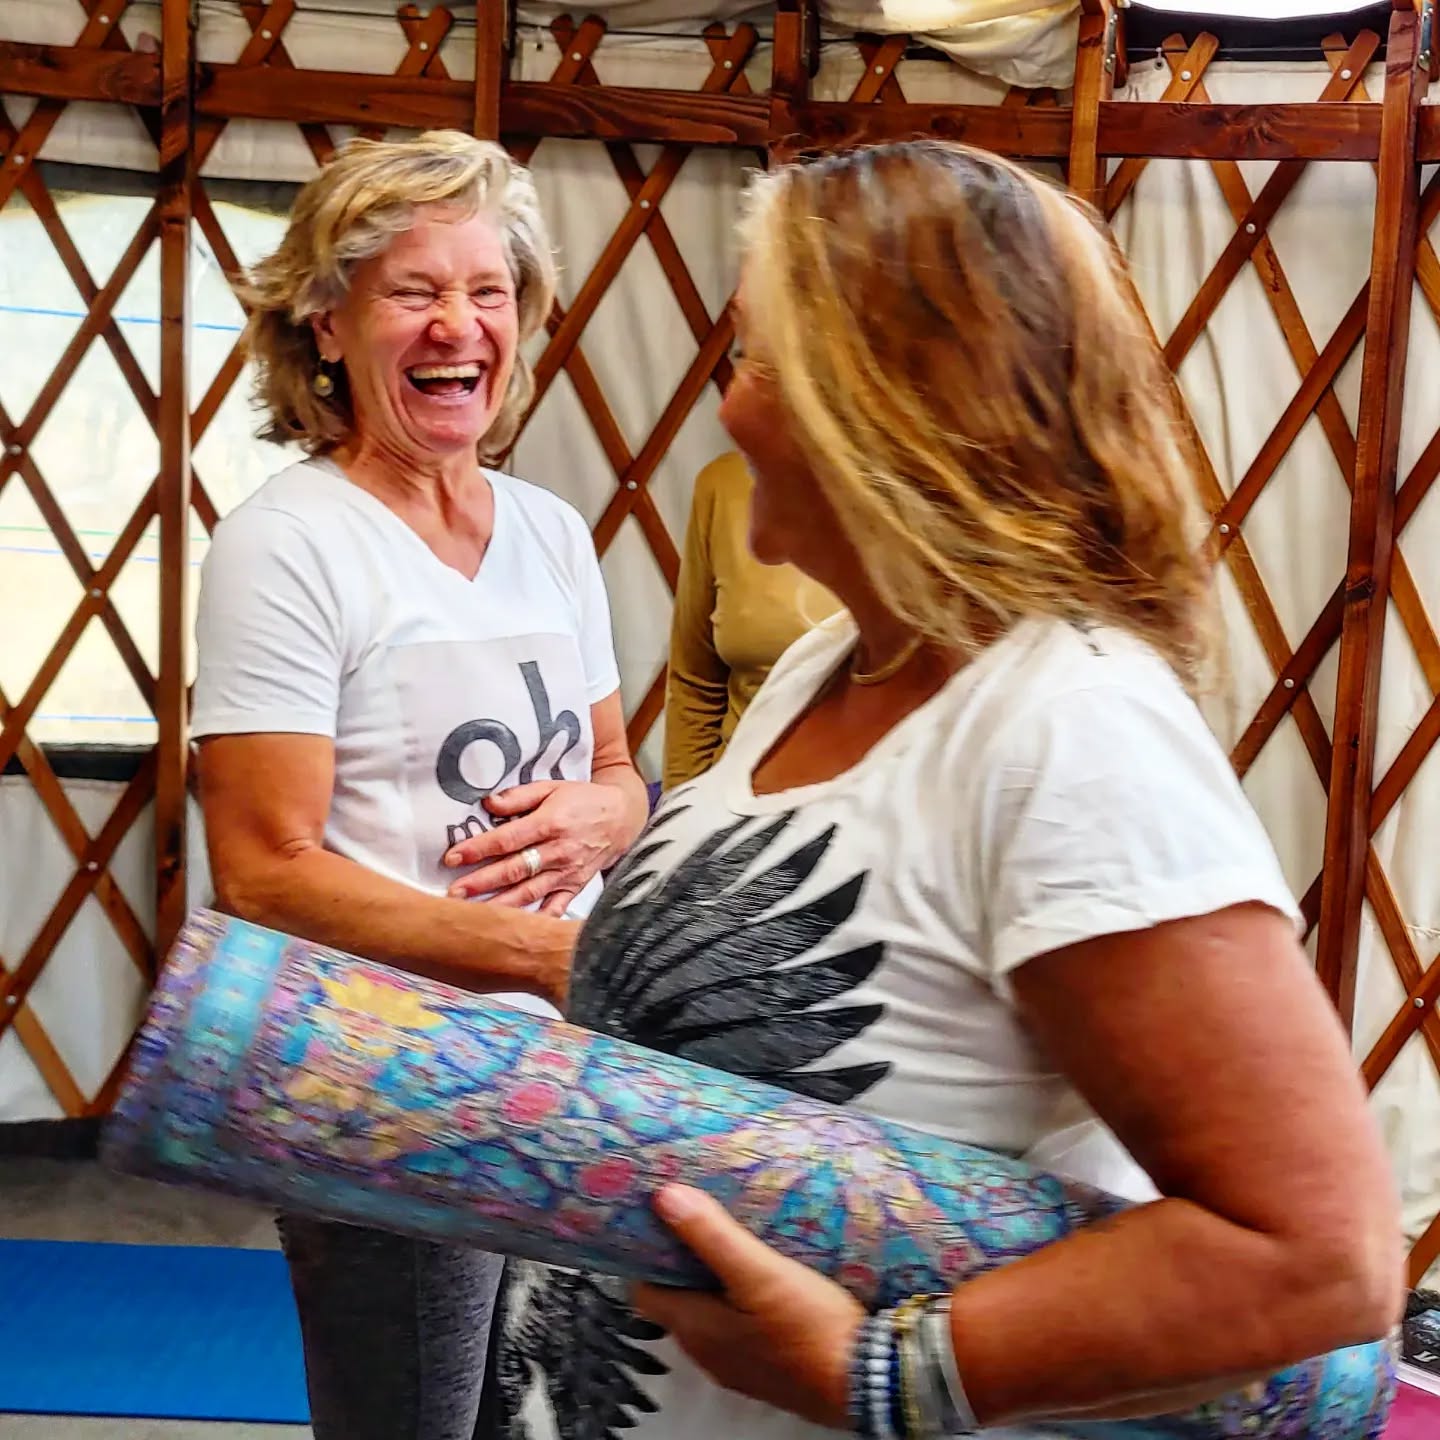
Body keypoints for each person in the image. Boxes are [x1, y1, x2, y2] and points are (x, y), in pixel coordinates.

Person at [493, 140, 1402, 1439]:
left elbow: (1318, 1252)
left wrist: (888, 1375)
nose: (728, 404)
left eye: (754, 357)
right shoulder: (828, 669)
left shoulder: (1066, 728)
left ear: (876, 398)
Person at [190, 130, 649, 1440]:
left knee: (543, 1420)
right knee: (415, 1421)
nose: (462, 324)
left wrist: (601, 813)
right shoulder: (289, 546)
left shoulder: (551, 533)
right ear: (327, 326)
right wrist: (546, 955)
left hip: (559, 1078)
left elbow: (621, 778)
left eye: (489, 289)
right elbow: (264, 872)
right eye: (416, 290)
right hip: (381, 1083)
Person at [663, 451, 839, 790]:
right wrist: (682, 813)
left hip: (877, 812)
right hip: (738, 801)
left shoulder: (931, 481)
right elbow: (695, 679)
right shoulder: (724, 484)